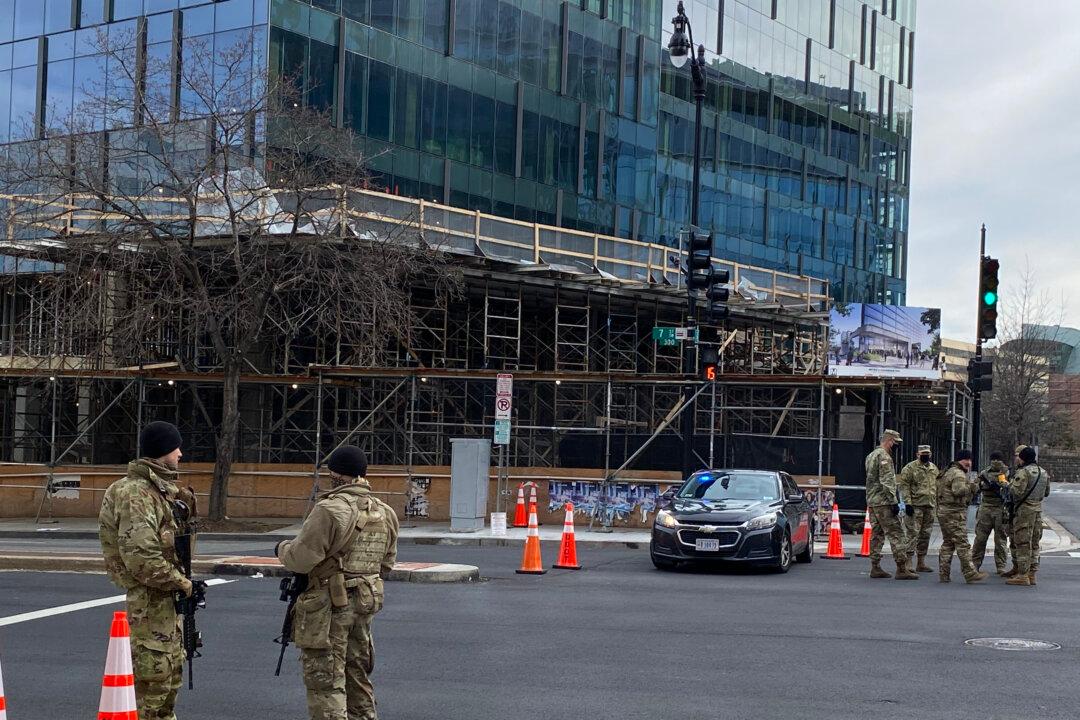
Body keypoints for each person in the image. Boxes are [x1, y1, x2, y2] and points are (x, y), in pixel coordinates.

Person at [276, 446, 400, 720]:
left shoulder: (329, 510)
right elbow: (387, 564)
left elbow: (301, 559)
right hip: (364, 603)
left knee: (326, 681)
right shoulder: (385, 512)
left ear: (334, 473)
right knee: (357, 676)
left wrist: (281, 549)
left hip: (329, 606)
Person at [99, 420, 197, 720]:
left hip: (165, 601)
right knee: (151, 692)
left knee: (167, 686)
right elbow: (142, 558)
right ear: (162, 451)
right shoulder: (137, 493)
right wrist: (182, 583)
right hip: (151, 602)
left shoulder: (161, 491)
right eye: (175, 447)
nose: (180, 453)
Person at [864, 429, 918, 580]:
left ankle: (875, 567)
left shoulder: (871, 455)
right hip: (884, 502)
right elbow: (887, 481)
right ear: (889, 441)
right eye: (896, 442)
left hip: (873, 502)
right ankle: (902, 568)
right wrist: (894, 501)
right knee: (897, 534)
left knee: (877, 534)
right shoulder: (884, 457)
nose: (897, 446)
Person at [936, 450, 989, 584]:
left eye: (970, 460)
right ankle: (970, 573)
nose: (969, 463)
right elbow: (958, 491)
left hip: (944, 511)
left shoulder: (948, 471)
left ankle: (944, 574)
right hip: (954, 513)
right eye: (966, 460)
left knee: (948, 543)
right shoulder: (958, 474)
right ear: (960, 460)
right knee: (962, 544)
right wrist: (973, 486)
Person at [1003, 446, 1050, 587]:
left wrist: (1008, 485)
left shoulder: (1023, 472)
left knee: (1023, 542)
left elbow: (1017, 492)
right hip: (1037, 512)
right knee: (1035, 543)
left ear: (1023, 458)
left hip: (1024, 512)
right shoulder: (1043, 472)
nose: (1017, 458)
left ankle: (1023, 575)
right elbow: (1046, 492)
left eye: (1019, 456)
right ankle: (1032, 574)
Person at [897, 444, 937, 572]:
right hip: (915, 507)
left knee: (925, 535)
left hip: (929, 506)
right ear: (917, 454)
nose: (925, 456)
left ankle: (921, 562)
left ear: (930, 455)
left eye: (927, 454)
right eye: (923, 454)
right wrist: (907, 504)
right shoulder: (910, 468)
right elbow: (904, 486)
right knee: (912, 534)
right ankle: (908, 562)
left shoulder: (933, 468)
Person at [971, 451, 1011, 575]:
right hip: (986, 508)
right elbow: (975, 488)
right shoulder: (984, 473)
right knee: (980, 539)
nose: (995, 462)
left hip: (1000, 508)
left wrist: (1002, 486)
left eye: (997, 459)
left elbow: (1011, 489)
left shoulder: (1008, 473)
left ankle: (1001, 566)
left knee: (1001, 540)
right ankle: (975, 564)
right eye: (993, 459)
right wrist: (982, 485)